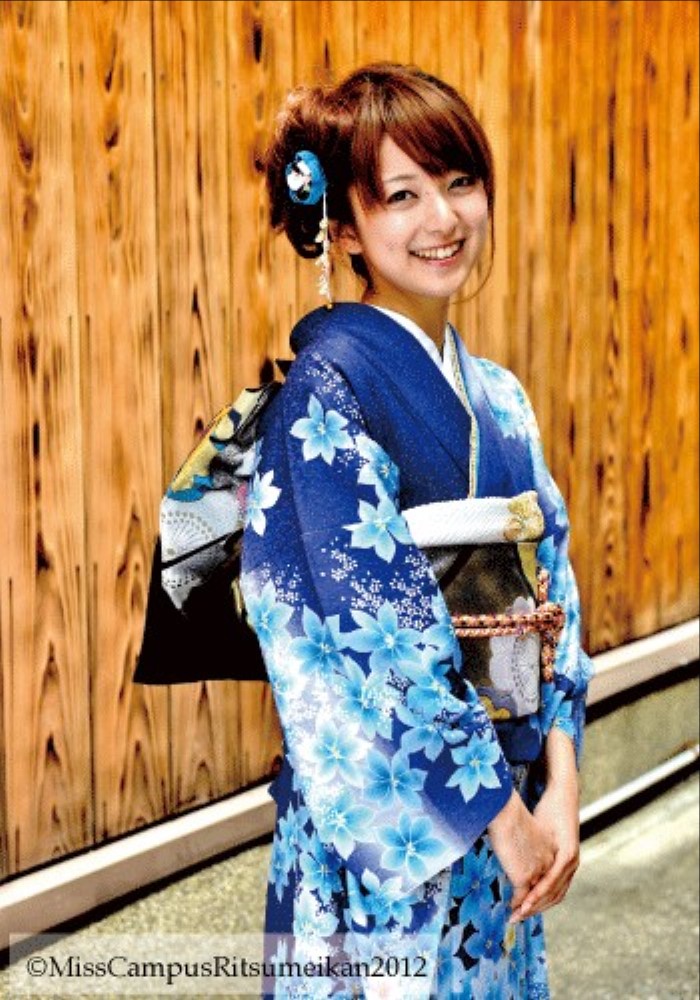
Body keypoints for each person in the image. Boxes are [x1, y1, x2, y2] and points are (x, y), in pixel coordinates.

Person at [240, 62, 591, 1000]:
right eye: (402, 195)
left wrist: (561, 786)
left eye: (460, 181)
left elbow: (552, 598)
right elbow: (375, 639)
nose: (444, 218)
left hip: (512, 812)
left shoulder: (502, 397)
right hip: (399, 830)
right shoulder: (327, 395)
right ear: (345, 229)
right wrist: (500, 814)